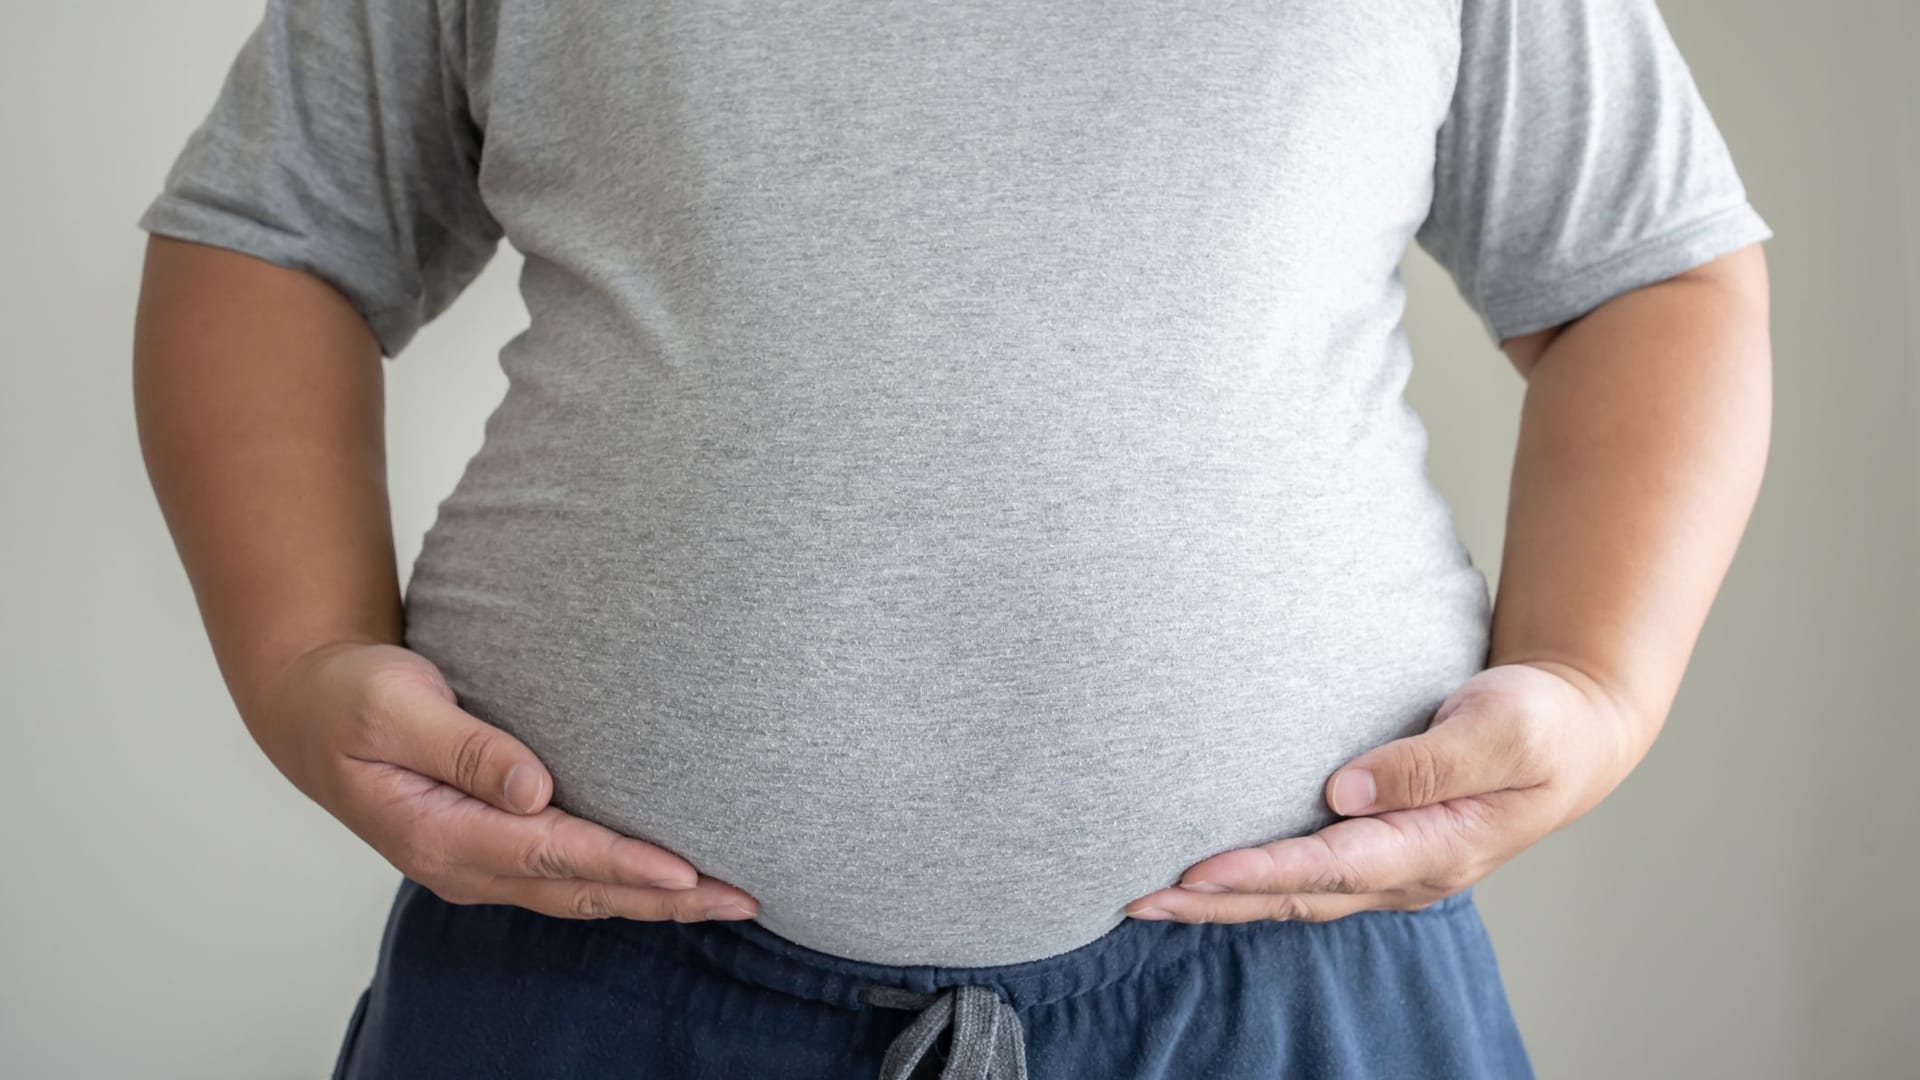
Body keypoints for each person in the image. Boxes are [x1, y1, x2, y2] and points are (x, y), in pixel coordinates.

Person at [131, 0, 1773, 1075]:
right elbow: (276, 243)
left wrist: (1596, 682)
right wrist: (296, 660)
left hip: (1298, 989)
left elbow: (1646, 274)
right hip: (587, 983)